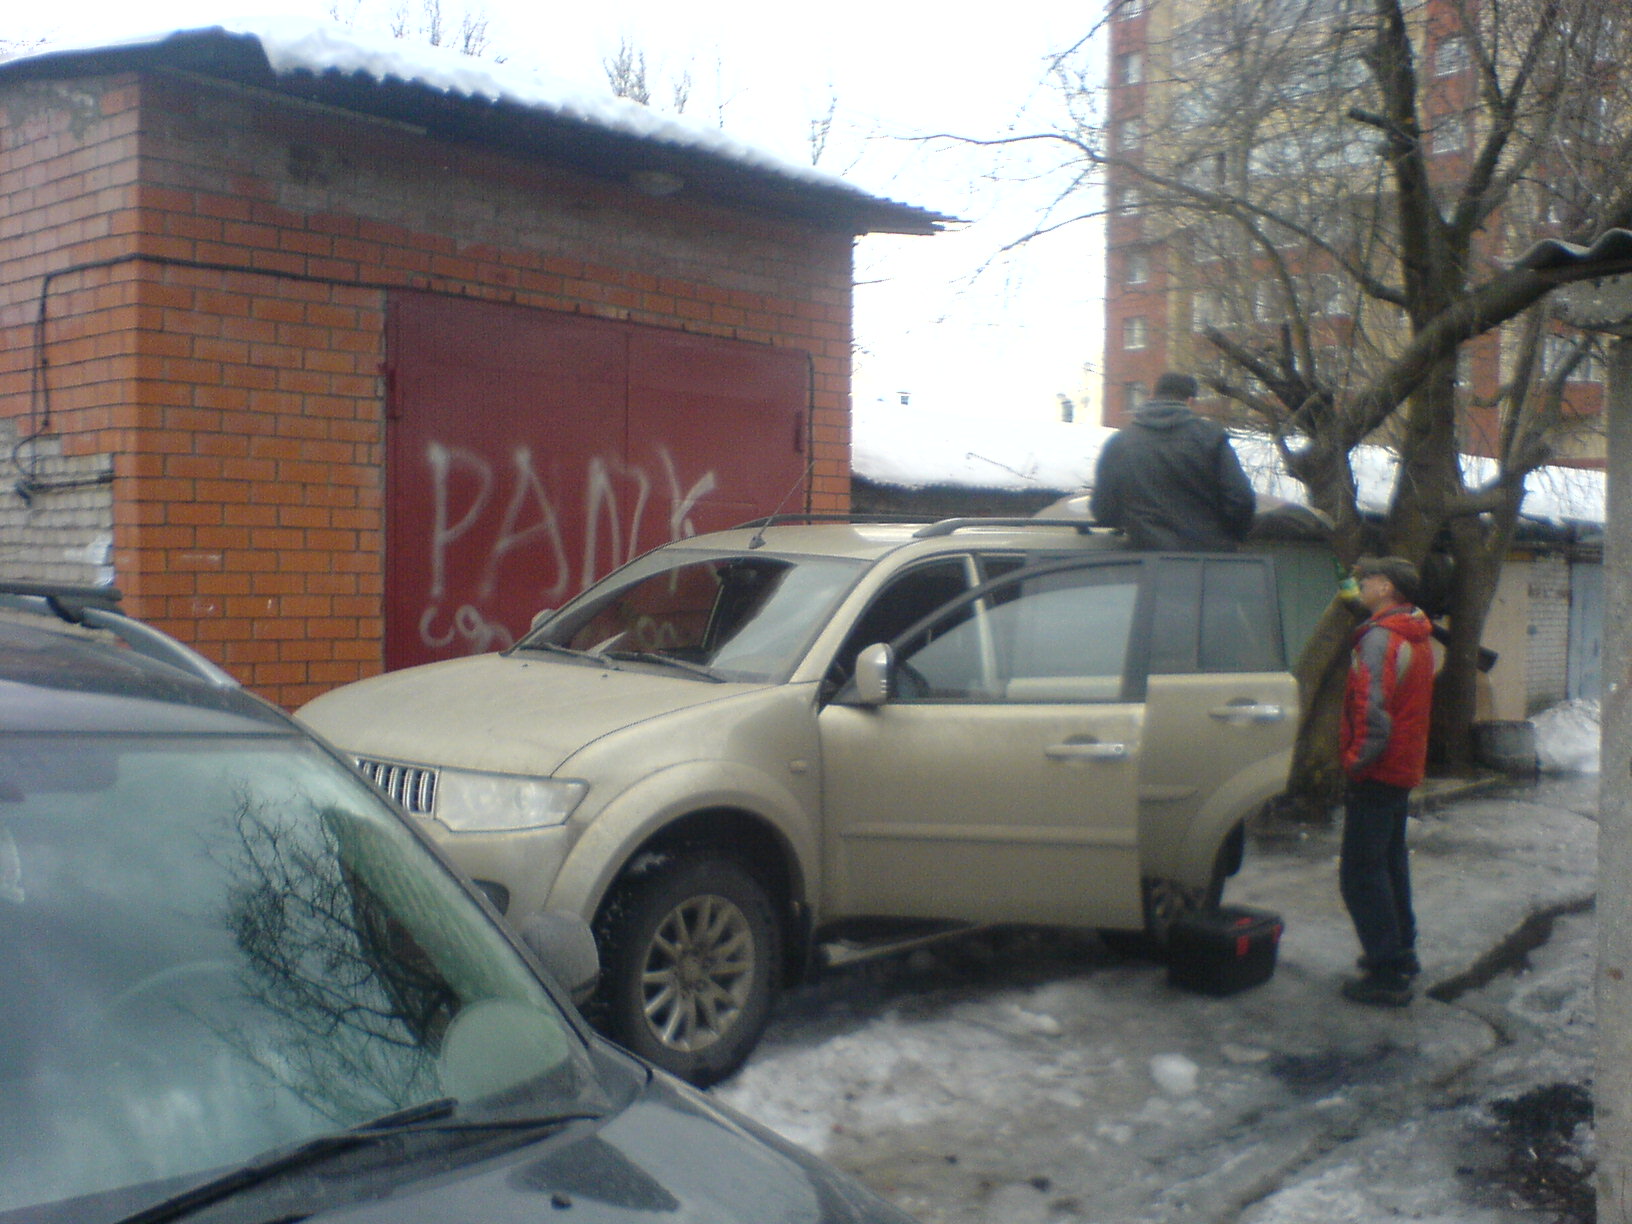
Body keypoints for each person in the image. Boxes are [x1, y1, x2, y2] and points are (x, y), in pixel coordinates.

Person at [1338, 556, 1435, 1007]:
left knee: (1360, 873)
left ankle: (1386, 973)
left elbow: (1371, 711)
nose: (1362, 584)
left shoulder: (1381, 639)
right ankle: (1401, 953)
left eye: (1369, 579)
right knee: (1389, 864)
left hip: (1378, 768)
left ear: (1388, 587)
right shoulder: (1414, 630)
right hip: (1402, 765)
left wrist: (1355, 762)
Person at [1090, 371, 1256, 550]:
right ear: (1191, 401)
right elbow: (1241, 499)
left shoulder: (1120, 442)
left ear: (1152, 396)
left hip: (1145, 556)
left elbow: (1103, 510)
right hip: (1207, 557)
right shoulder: (1211, 437)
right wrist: (1233, 536)